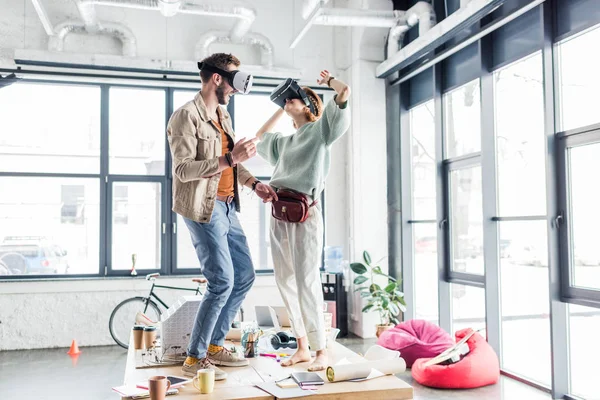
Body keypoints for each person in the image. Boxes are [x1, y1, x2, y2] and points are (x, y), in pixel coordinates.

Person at [166, 52, 278, 380]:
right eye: (233, 81)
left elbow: (234, 162)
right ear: (218, 78)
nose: (234, 89)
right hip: (205, 207)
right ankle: (195, 357)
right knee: (222, 281)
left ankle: (215, 344)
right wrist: (230, 158)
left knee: (244, 276)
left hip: (229, 205)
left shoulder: (222, 115)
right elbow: (183, 170)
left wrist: (254, 182)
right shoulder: (185, 117)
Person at [255, 70, 351, 371]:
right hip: (279, 211)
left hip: (306, 211)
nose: (288, 102)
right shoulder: (285, 141)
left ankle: (322, 350)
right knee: (284, 280)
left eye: (292, 99)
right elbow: (260, 137)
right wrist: (279, 108)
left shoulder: (321, 131)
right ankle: (302, 346)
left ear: (309, 105)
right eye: (286, 101)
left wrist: (330, 82)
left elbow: (344, 92)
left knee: (307, 280)